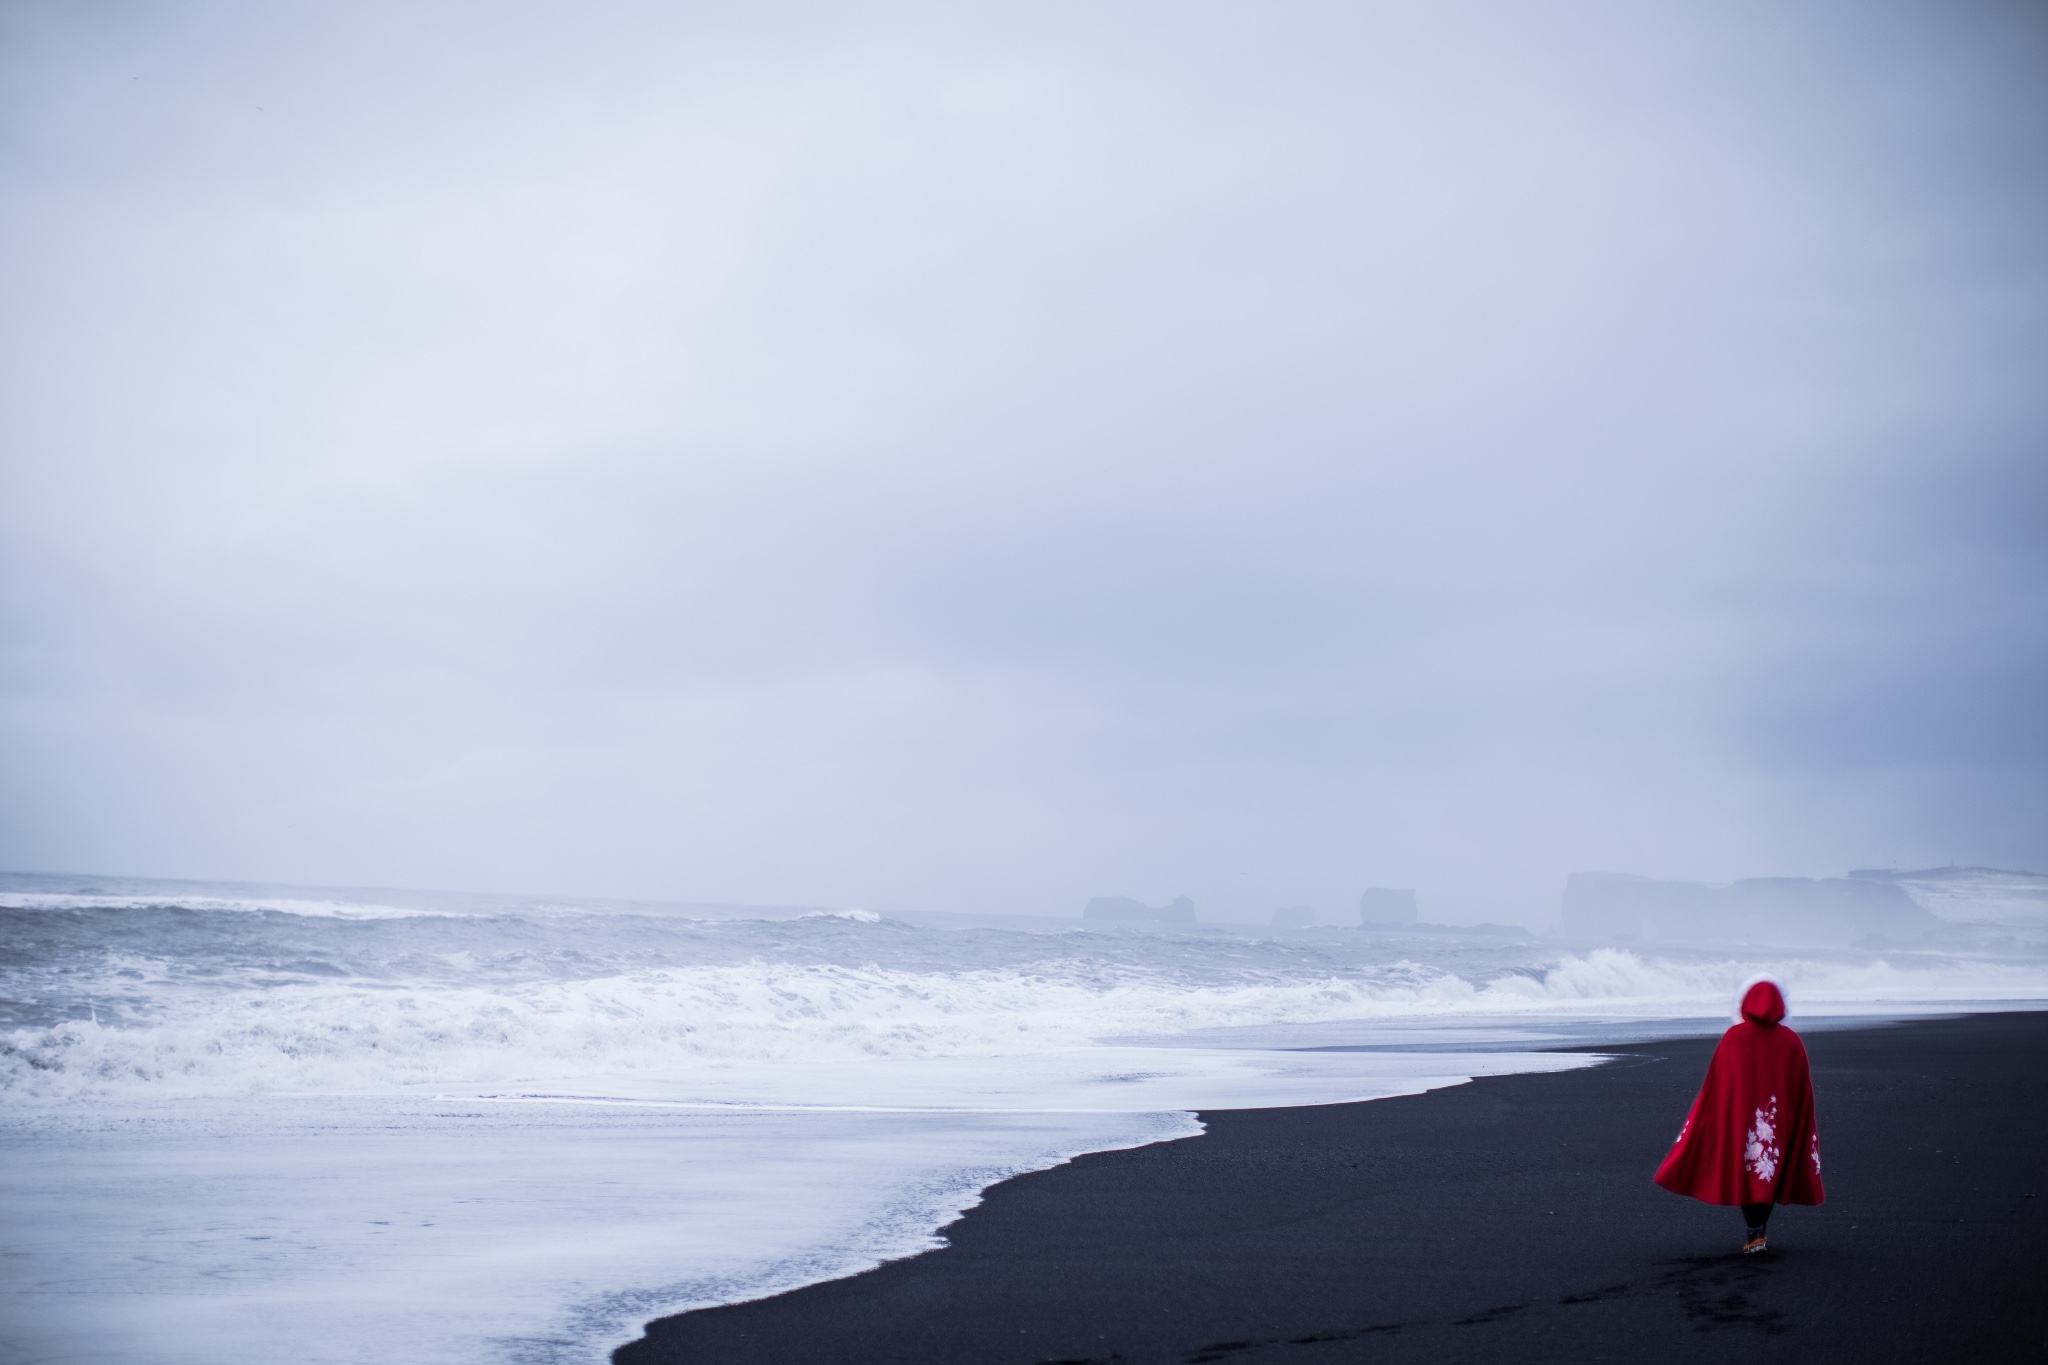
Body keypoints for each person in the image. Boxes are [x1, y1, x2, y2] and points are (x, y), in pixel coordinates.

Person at [1653, 975, 1824, 1252]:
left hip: (1740, 1120)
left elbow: (1718, 1085)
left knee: (1748, 1173)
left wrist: (1715, 1116)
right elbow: (1801, 1088)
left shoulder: (1734, 1037)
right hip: (1779, 1120)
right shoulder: (1791, 1041)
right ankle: (1758, 1232)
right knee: (1769, 1171)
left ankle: (1755, 1233)